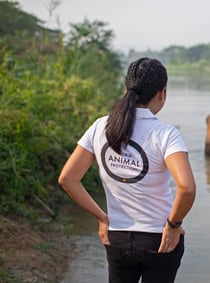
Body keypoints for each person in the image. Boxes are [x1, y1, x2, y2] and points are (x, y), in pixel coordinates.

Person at [58, 57, 196, 283]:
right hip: (159, 240)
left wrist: (102, 219)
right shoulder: (165, 134)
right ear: (162, 93)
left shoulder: (100, 126)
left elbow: (67, 179)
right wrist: (173, 225)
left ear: (126, 88)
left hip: (117, 238)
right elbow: (187, 188)